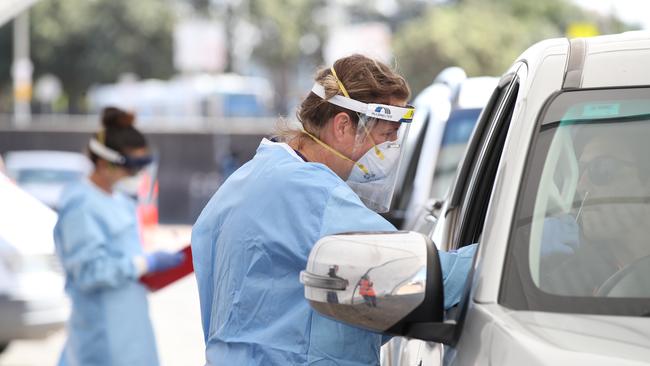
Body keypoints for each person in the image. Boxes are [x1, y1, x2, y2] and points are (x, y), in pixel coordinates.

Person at [192, 54, 477, 365]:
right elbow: (420, 275)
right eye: (386, 136)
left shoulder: (247, 180)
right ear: (343, 126)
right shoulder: (312, 194)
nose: (392, 149)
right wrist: (507, 247)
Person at [55, 107, 185, 366]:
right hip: (101, 335)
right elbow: (89, 272)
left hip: (132, 328)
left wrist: (151, 263)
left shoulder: (120, 201)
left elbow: (125, 252)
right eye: (131, 168)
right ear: (104, 163)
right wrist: (144, 263)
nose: (135, 176)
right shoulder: (81, 205)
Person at [541, 131, 650, 296]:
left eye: (601, 169)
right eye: (580, 170)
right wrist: (524, 254)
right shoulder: (567, 279)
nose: (580, 186)